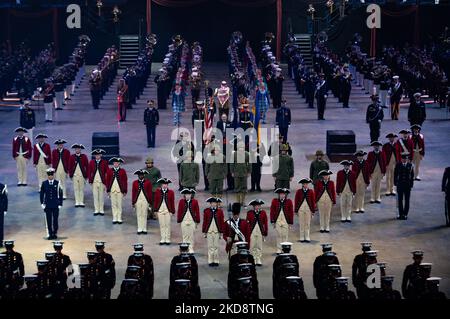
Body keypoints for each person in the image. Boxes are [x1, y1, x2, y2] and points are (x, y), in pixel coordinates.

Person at [40, 168, 63, 240]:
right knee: (48, 220)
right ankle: (50, 233)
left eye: (51, 175)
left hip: (55, 205)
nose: (50, 176)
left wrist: (60, 204)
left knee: (55, 220)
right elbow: (42, 194)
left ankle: (55, 233)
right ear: (47, 175)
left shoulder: (57, 183)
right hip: (48, 205)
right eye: (49, 175)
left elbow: (60, 194)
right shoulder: (44, 183)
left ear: (53, 175)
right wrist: (42, 203)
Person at [202, 197, 225, 266]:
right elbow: (205, 222)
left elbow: (221, 222)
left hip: (216, 231)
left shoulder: (220, 212)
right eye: (212, 203)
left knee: (216, 246)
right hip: (209, 231)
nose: (214, 204)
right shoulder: (206, 211)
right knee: (210, 246)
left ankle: (216, 260)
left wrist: (221, 232)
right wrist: (204, 232)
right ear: (210, 204)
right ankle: (210, 260)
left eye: (215, 203)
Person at [270, 188, 294, 253]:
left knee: (285, 234)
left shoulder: (289, 201)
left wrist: (290, 222)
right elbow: (272, 211)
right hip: (277, 220)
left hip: (285, 220)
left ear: (285, 195)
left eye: (283, 194)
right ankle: (278, 249)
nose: (282, 195)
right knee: (278, 234)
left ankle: (284, 249)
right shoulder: (274, 201)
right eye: (281, 194)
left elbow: (291, 212)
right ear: (279, 194)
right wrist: (272, 221)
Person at [177, 189, 200, 253]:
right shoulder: (181, 201)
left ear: (191, 195)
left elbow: (197, 211)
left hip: (192, 220)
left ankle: (191, 248)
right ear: (184, 195)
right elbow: (179, 211)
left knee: (191, 235)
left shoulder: (195, 202)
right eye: (186, 194)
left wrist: (197, 221)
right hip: (184, 220)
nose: (188, 196)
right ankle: (185, 248)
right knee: (184, 235)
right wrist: (179, 220)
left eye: (189, 194)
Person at [153, 178, 175, 245]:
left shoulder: (171, 192)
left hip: (168, 210)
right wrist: (155, 210)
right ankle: (163, 238)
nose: (165, 185)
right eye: (163, 184)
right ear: (161, 185)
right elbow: (156, 201)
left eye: (166, 184)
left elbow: (172, 202)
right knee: (162, 225)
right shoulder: (158, 191)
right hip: (160, 210)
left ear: (167, 185)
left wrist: (172, 211)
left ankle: (167, 239)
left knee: (167, 225)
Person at [105, 157, 128, 224]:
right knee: (113, 204)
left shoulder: (122, 171)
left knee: (119, 204)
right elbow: (107, 181)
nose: (116, 164)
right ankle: (115, 218)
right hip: (112, 190)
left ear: (119, 163)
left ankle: (119, 218)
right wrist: (108, 190)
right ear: (113, 163)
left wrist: (125, 190)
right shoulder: (109, 171)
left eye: (117, 163)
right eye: (115, 163)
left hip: (120, 190)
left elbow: (125, 181)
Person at [246, 199, 268, 266]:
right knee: (253, 245)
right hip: (252, 231)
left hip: (260, 231)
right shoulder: (249, 213)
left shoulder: (263, 213)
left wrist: (265, 233)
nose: (258, 207)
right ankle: (253, 258)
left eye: (259, 206)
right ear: (253, 207)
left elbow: (265, 223)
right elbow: (247, 223)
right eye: (256, 206)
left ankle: (258, 259)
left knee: (259, 245)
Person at [294, 178, 316, 243]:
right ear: (302, 185)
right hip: (301, 209)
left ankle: (307, 236)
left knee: (307, 223)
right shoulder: (299, 191)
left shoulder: (311, 191)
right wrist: (296, 210)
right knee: (301, 223)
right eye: (304, 184)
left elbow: (313, 201)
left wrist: (313, 210)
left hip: (308, 209)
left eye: (307, 184)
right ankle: (301, 236)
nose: (306, 185)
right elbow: (296, 201)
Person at [394, 153, 414, 220]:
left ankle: (405, 214)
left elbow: (412, 176)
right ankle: (400, 214)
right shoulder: (398, 165)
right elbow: (395, 174)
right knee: (400, 200)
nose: (404, 160)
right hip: (400, 185)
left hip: (407, 186)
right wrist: (395, 183)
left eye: (405, 159)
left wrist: (411, 185)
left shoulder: (410, 165)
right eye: (403, 159)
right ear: (401, 159)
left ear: (407, 159)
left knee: (407, 200)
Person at [132, 169, 152, 235]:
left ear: (144, 175)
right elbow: (133, 193)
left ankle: (144, 228)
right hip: (138, 200)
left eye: (142, 175)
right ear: (138, 176)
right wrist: (133, 202)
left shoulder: (148, 182)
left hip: (145, 200)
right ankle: (139, 228)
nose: (141, 176)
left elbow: (149, 192)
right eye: (139, 175)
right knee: (139, 214)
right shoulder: (134, 183)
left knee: (144, 214)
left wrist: (150, 202)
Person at [230, 142, 251, 207]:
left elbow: (250, 163)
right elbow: (231, 163)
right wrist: (232, 172)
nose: (241, 149)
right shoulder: (234, 154)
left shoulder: (247, 154)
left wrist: (249, 171)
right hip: (236, 173)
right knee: (237, 187)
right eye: (240, 147)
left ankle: (243, 201)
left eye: (242, 147)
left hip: (244, 173)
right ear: (237, 147)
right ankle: (238, 201)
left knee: (244, 188)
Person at [88, 149, 108, 216]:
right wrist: (90, 180)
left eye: (98, 155)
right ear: (94, 155)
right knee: (95, 196)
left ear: (101, 155)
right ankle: (96, 209)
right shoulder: (91, 162)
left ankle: (101, 209)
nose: (97, 156)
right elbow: (89, 172)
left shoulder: (104, 162)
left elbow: (107, 172)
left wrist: (106, 182)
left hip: (102, 182)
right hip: (94, 182)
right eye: (96, 155)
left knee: (101, 196)